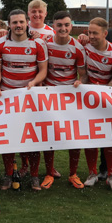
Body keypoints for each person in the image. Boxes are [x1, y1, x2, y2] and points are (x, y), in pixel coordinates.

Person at [0, 9, 48, 191]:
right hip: (8, 98)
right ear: (9, 24)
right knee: (8, 138)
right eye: (14, 22)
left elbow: (43, 70)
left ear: (27, 23)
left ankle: (34, 176)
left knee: (32, 138)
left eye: (21, 22)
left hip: (30, 99)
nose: (18, 25)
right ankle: (8, 175)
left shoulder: (38, 43)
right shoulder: (0, 44)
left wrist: (34, 82)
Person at [41, 11, 88, 189]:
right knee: (49, 135)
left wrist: (79, 81)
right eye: (59, 25)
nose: (63, 28)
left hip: (70, 98)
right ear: (53, 26)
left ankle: (73, 174)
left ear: (71, 26)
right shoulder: (44, 44)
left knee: (73, 136)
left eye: (66, 25)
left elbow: (83, 75)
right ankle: (49, 172)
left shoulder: (78, 48)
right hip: (49, 97)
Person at [82, 17, 112, 189]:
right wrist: (82, 84)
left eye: (95, 33)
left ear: (105, 34)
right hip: (89, 101)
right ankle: (92, 173)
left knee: (110, 138)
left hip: (107, 100)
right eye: (89, 32)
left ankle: (111, 175)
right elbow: (83, 74)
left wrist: (104, 92)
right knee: (90, 137)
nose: (91, 36)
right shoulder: (84, 49)